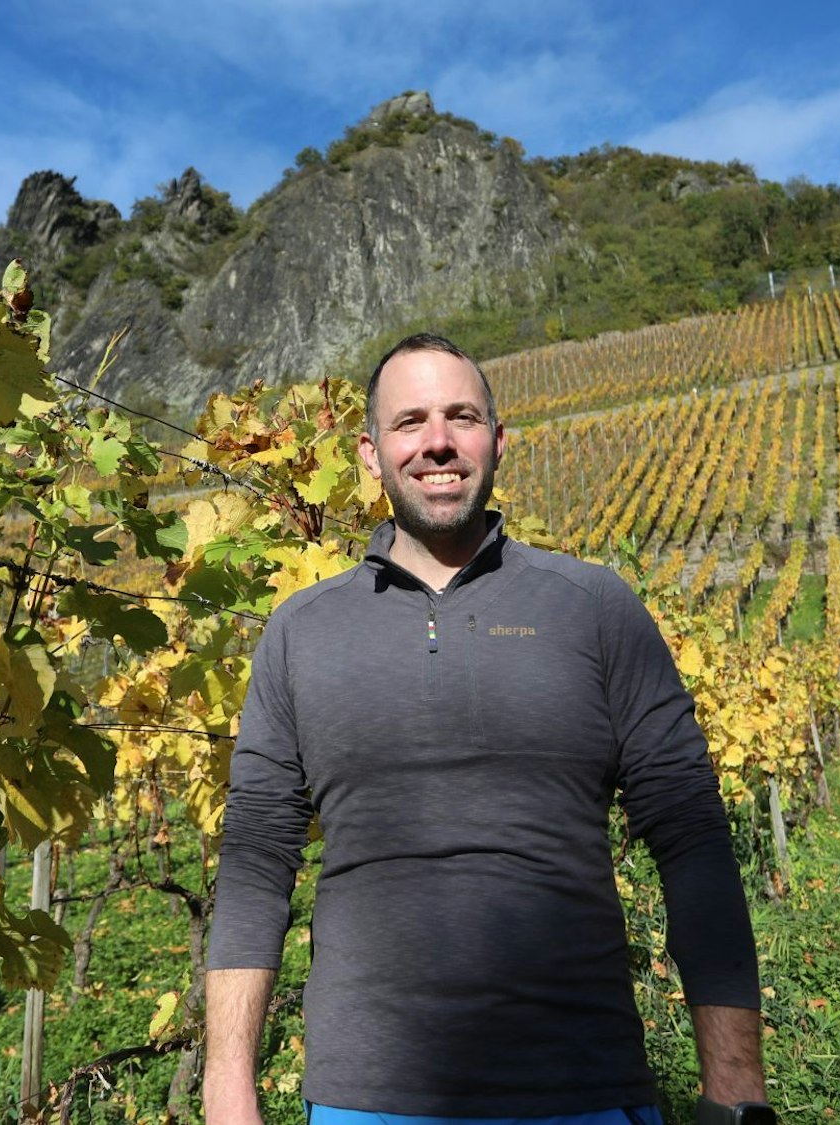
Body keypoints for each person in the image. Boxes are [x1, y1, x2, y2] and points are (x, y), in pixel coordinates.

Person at [203, 333, 771, 1125]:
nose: (437, 440)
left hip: (585, 1093)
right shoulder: (300, 631)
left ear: (498, 442)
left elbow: (692, 837)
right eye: (411, 422)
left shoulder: (595, 608)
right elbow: (257, 858)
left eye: (461, 416)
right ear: (371, 453)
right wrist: (228, 1092)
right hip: (366, 1103)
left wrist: (736, 1087)